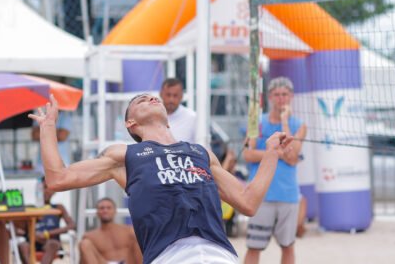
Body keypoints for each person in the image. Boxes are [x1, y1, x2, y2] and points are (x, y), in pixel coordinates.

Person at [30, 93, 292, 264]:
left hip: (219, 255)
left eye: (152, 97)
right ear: (131, 123)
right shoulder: (124, 157)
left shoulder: (200, 153)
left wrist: (271, 154)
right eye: (141, 100)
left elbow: (248, 202)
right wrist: (48, 127)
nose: (150, 97)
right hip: (170, 256)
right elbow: (58, 178)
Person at [242, 77, 305, 264]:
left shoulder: (299, 125)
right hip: (261, 194)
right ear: (270, 97)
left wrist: (285, 121)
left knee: (288, 246)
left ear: (291, 97)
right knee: (253, 246)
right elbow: (247, 154)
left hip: (288, 195)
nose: (281, 98)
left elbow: (293, 156)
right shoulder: (257, 122)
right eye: (277, 94)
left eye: (284, 94)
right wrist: (275, 152)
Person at [18, 179, 75, 264]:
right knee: (22, 245)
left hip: (50, 241)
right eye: (42, 188)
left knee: (52, 244)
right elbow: (18, 228)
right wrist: (31, 234)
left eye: (48, 188)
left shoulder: (58, 208)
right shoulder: (30, 208)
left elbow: (72, 225)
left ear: (54, 191)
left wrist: (48, 234)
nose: (45, 191)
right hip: (32, 242)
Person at [78, 198, 140, 264]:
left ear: (115, 211)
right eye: (102, 208)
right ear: (97, 212)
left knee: (137, 237)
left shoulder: (129, 231)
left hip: (128, 262)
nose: (105, 210)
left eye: (109, 208)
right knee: (85, 243)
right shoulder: (90, 236)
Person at [159, 78, 196, 143]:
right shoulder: (151, 116)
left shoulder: (193, 117)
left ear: (181, 96)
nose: (171, 100)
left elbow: (203, 146)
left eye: (175, 95)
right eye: (168, 95)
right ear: (161, 94)